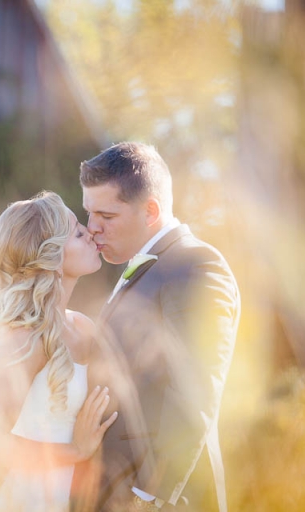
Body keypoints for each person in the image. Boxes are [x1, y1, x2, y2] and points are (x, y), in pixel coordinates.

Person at [71, 142, 240, 512]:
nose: (92, 228)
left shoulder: (196, 266)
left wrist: (152, 498)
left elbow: (195, 392)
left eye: (107, 216)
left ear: (150, 211)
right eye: (89, 213)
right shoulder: (142, 268)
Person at [0, 191, 119, 512]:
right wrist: (75, 451)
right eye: (78, 233)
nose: (91, 233)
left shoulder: (83, 328)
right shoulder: (24, 337)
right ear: (49, 253)